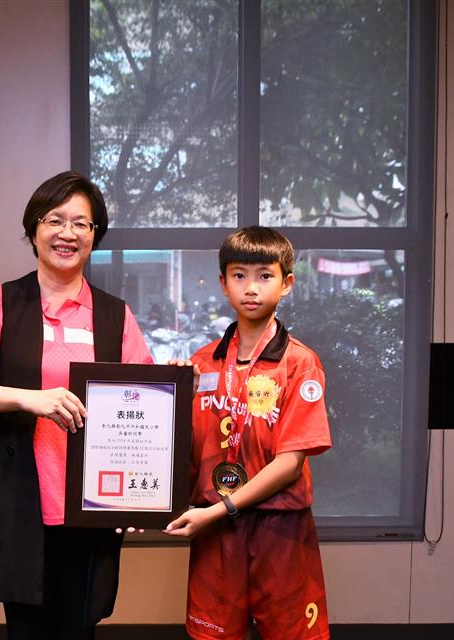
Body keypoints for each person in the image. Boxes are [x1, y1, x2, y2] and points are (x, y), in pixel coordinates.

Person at [0, 171, 153, 640]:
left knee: (79, 628)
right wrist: (29, 398)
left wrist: (141, 499)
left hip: (91, 504)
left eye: (81, 223)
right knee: (27, 631)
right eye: (55, 220)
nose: (67, 233)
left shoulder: (114, 314)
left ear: (94, 235)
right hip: (21, 500)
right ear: (33, 229)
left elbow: (143, 404)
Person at [164, 226, 331, 640]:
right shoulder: (201, 364)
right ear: (223, 283)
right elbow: (183, 450)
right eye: (239, 276)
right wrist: (175, 399)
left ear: (287, 283)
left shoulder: (300, 363)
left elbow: (290, 463)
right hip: (217, 531)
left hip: (280, 528)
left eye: (264, 276)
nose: (251, 288)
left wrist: (219, 510)